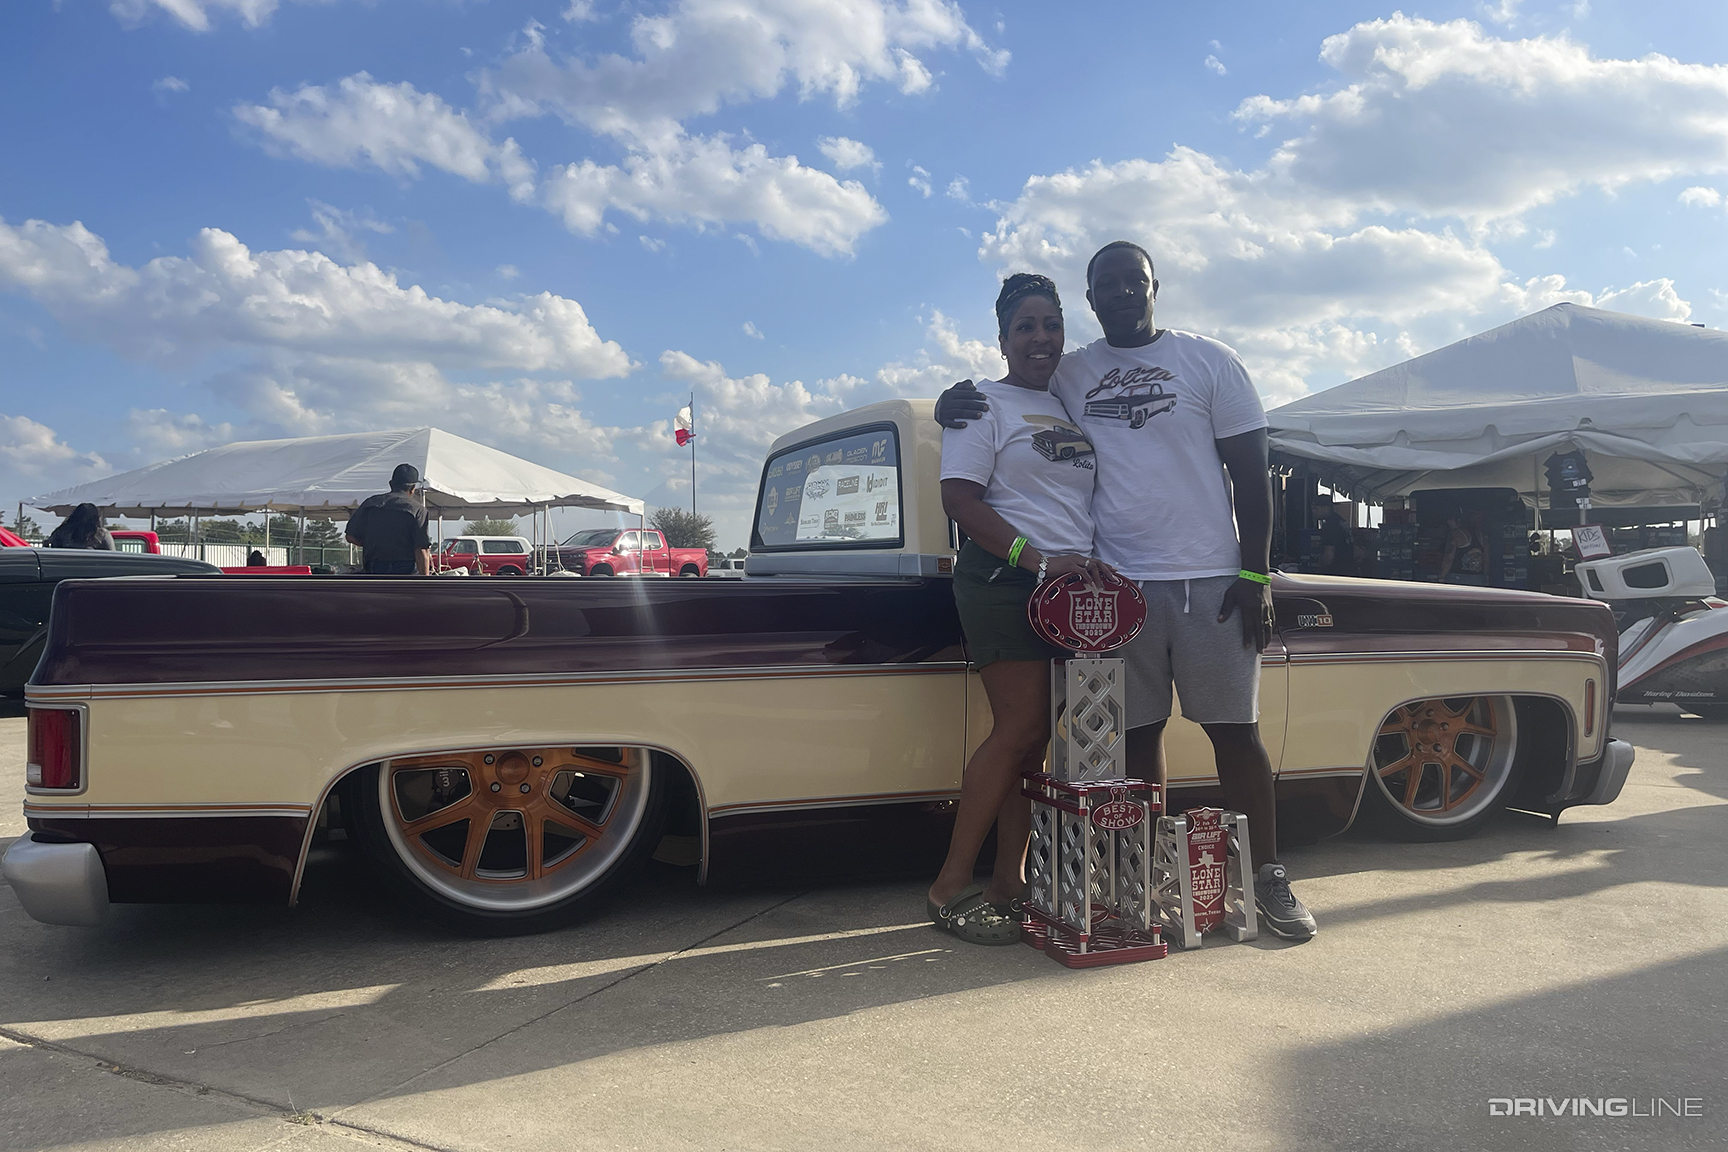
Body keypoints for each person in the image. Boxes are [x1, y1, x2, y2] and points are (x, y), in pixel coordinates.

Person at [936, 240, 1318, 940]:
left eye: (1130, 281)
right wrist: (948, 397)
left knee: (1236, 734)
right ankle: (1143, 880)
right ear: (1090, 299)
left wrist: (1256, 572)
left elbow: (1252, 475)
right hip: (1113, 592)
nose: (1118, 292)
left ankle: (1268, 877)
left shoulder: (1211, 361)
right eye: (1103, 284)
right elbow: (1002, 403)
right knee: (1133, 744)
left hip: (1211, 580)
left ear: (1153, 286)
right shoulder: (1072, 372)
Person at [928, 273, 1112, 945]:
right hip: (1006, 580)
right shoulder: (982, 405)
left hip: (1069, 594)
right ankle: (949, 887)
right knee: (1020, 727)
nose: (1040, 338)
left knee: (1032, 744)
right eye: (1026, 326)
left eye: (1051, 325)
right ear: (1003, 338)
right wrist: (1035, 560)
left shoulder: (1068, 404)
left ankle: (1011, 885)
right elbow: (961, 501)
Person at [345, 464, 431, 575]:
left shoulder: (370, 504)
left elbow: (350, 536)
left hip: (374, 569)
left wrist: (371, 544)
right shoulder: (418, 510)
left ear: (391, 484)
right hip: (406, 570)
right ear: (413, 488)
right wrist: (425, 583)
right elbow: (421, 550)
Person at [1314, 496, 1356, 576]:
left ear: (1325, 508)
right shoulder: (1340, 520)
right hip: (1348, 568)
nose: (1313, 511)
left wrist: (1319, 572)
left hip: (1336, 571)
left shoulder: (1330, 525)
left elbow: (1329, 555)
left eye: (1316, 508)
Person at [46, 503, 115, 551]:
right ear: (95, 518)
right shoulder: (102, 534)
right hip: (93, 569)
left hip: (64, 568)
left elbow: (50, 548)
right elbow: (112, 556)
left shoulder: (61, 532)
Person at [1439, 514, 1486, 583]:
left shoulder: (1454, 534)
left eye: (1450, 519)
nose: (1448, 522)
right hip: (1478, 578)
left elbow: (1449, 557)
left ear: (1458, 520)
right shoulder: (1480, 535)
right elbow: (1486, 558)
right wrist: (1485, 575)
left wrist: (1441, 576)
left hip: (1459, 577)